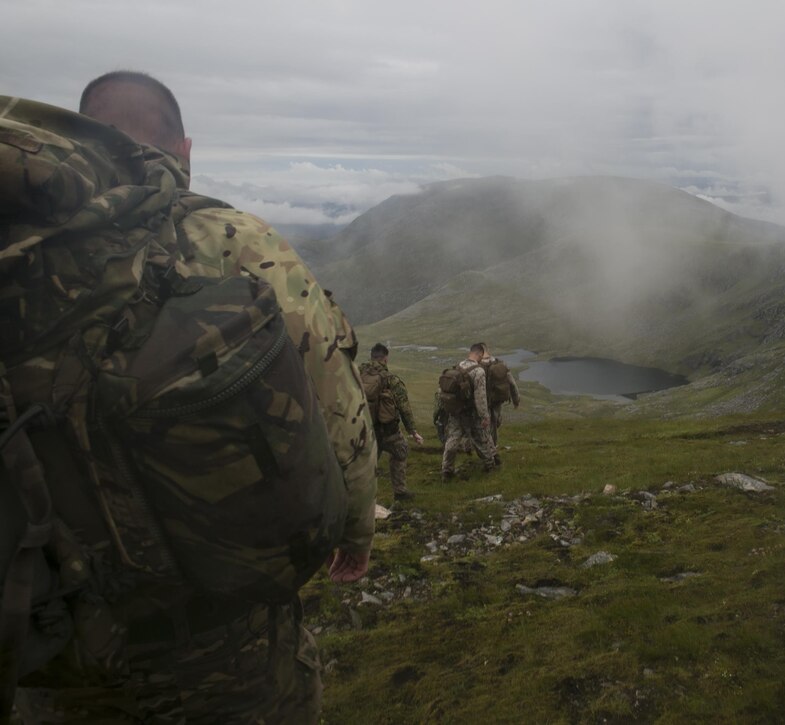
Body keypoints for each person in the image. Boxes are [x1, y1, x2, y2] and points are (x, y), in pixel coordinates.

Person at [8, 71, 377, 723]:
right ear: (183, 151)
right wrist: (352, 528)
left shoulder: (18, 251)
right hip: (228, 644)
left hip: (51, 645)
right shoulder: (232, 240)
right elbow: (334, 397)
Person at [361, 343, 424, 501]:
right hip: (388, 430)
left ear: (372, 357)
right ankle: (400, 492)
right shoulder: (392, 380)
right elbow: (404, 407)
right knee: (400, 452)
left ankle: (362, 497)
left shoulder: (357, 374)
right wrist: (413, 431)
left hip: (365, 428)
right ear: (385, 359)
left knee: (367, 462)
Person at [441, 343, 498, 480]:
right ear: (479, 354)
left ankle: (446, 470)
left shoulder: (459, 366)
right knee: (480, 440)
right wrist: (485, 416)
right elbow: (480, 397)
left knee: (452, 441)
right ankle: (490, 466)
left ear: (470, 353)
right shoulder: (479, 371)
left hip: (456, 412)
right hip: (471, 413)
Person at [479, 344, 521, 453]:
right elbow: (512, 384)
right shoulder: (500, 365)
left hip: (481, 402)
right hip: (496, 401)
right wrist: (516, 400)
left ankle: (486, 450)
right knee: (494, 423)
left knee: (482, 424)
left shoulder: (476, 366)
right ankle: (493, 447)